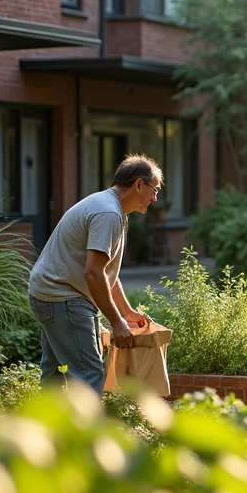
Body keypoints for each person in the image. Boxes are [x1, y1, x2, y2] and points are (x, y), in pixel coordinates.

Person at [28, 155, 159, 391]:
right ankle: (90, 428)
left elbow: (105, 271)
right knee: (89, 375)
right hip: (64, 299)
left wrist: (126, 311)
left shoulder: (110, 208)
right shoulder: (108, 213)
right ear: (139, 184)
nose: (155, 197)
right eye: (154, 189)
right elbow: (93, 274)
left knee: (54, 375)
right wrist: (117, 322)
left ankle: (48, 426)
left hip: (48, 295)